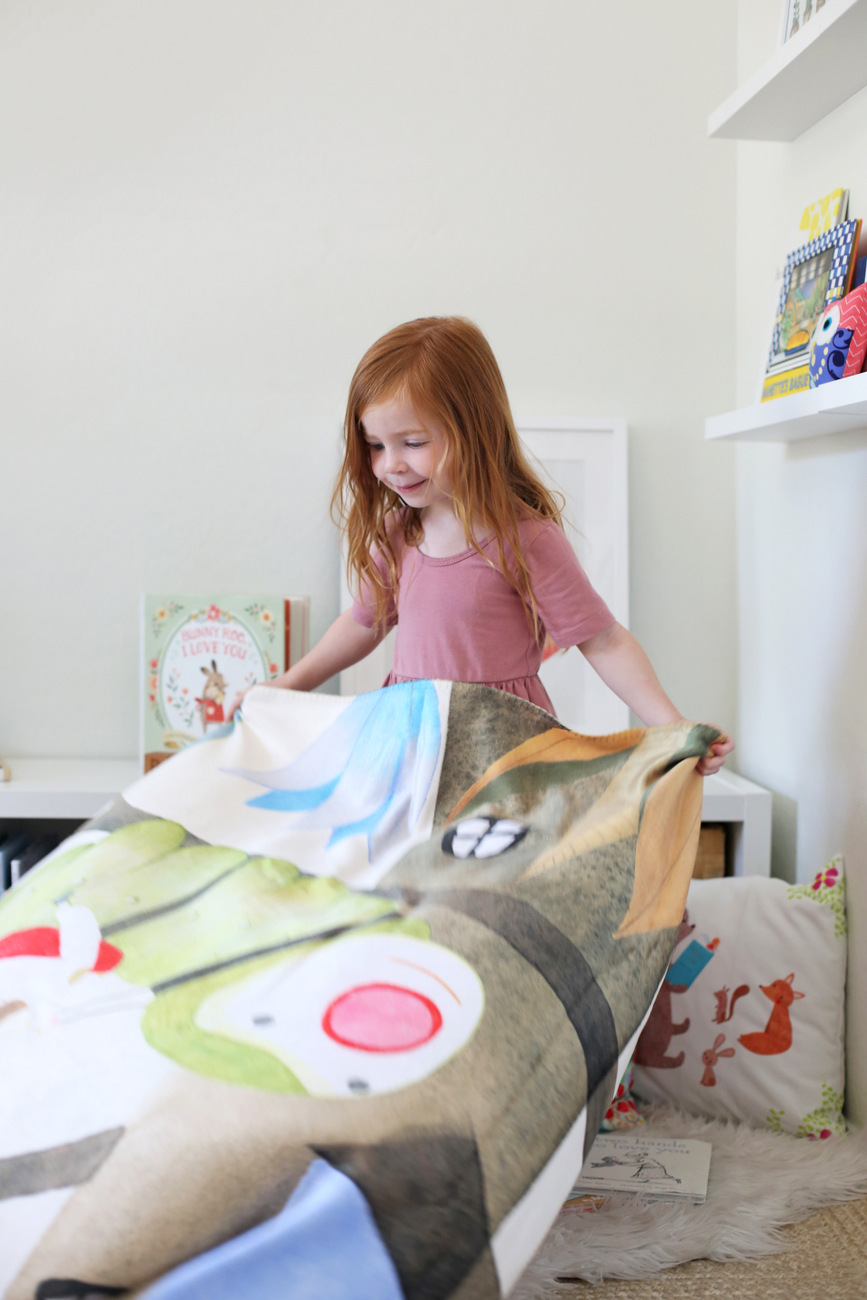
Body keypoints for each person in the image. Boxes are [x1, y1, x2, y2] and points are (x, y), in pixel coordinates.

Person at [230, 316, 733, 777]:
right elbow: (362, 625)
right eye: (376, 446)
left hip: (502, 747)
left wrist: (671, 727)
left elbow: (602, 641)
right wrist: (284, 687)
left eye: (412, 443)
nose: (389, 465)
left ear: (474, 429)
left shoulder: (527, 538)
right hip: (409, 738)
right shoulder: (397, 533)